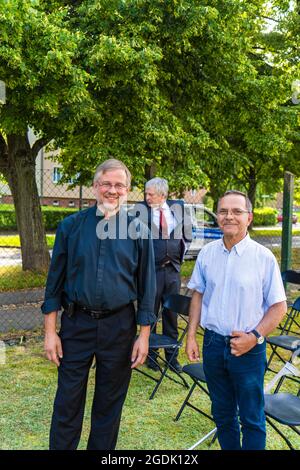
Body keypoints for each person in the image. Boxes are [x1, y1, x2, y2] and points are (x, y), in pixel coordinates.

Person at [42, 158, 156, 450]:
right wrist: (50, 332)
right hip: (75, 324)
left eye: (119, 185)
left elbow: (148, 288)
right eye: (106, 183)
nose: (112, 190)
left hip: (119, 326)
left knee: (109, 406)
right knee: (67, 401)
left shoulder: (139, 231)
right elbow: (54, 284)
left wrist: (144, 337)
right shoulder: (71, 227)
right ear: (95, 187)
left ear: (128, 190)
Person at [186, 190, 287, 450]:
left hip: (248, 347)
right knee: (222, 414)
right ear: (217, 216)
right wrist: (191, 337)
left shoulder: (263, 258)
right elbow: (197, 295)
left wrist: (254, 338)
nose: (229, 216)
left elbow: (279, 307)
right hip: (212, 344)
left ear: (249, 217)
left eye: (236, 211)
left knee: (252, 417)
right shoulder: (207, 254)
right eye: (223, 211)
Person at [135, 177, 192, 373]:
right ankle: (151, 356)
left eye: (150, 194)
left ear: (163, 195)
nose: (147, 197)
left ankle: (172, 358)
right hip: (151, 272)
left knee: (171, 315)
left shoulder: (178, 210)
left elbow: (187, 236)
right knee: (150, 313)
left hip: (173, 272)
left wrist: (179, 256)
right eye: (146, 193)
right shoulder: (140, 212)